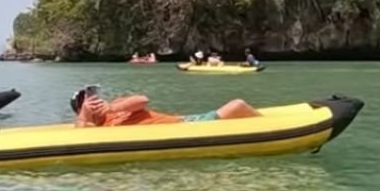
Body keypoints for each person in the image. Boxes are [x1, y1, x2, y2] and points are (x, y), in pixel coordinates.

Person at [70, 87, 260, 127]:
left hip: (186, 123)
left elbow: (142, 100)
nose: (95, 100)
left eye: (94, 97)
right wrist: (85, 114)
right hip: (182, 127)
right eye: (87, 100)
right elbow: (79, 136)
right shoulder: (93, 127)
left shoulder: (118, 105)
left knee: (238, 105)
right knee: (238, 105)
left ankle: (268, 125)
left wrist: (110, 108)